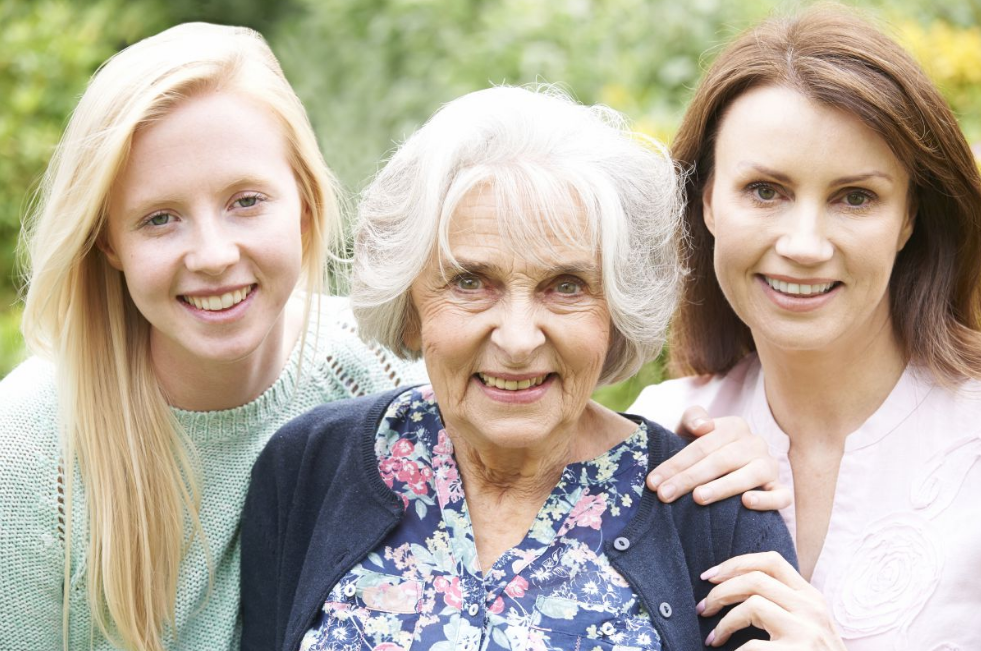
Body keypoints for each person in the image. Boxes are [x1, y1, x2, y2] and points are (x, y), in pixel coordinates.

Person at [240, 85, 797, 651]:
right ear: (410, 308)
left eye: (566, 286)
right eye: (470, 281)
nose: (517, 338)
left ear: (617, 313)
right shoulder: (309, 467)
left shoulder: (713, 514)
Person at [0, 23, 424, 651]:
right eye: (159, 218)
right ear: (108, 242)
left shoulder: (388, 381)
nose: (213, 254)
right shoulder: (31, 453)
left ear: (304, 207)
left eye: (246, 201)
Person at [630, 6, 981, 650]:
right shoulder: (661, 435)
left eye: (855, 197)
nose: (805, 244)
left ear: (909, 219)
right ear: (706, 199)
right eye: (765, 190)